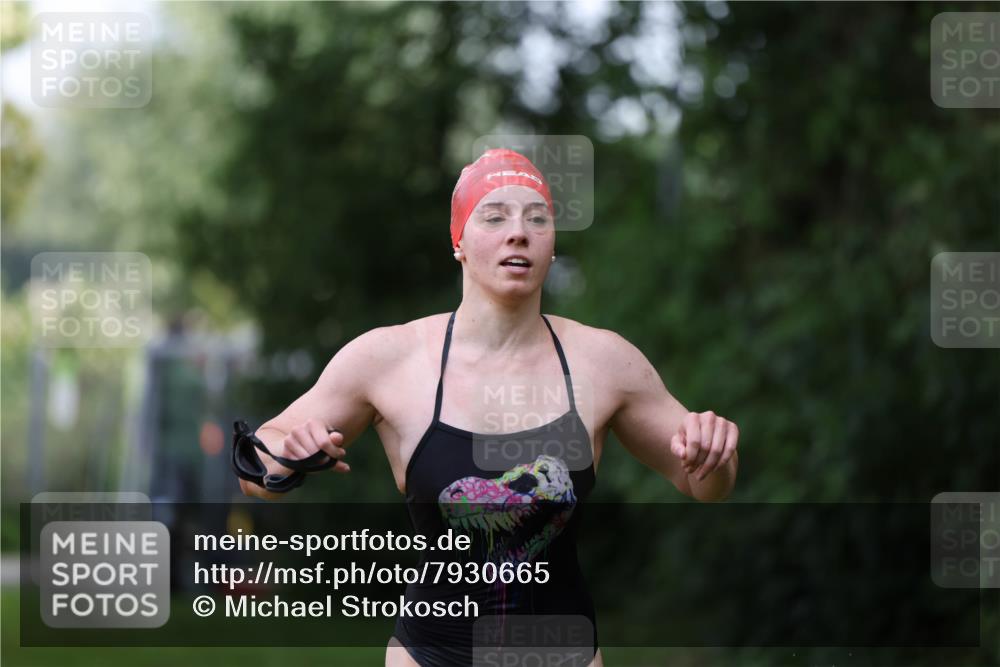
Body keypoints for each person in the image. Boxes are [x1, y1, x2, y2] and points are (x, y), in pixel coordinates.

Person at [240, 148, 740, 667]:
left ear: (551, 245)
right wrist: (286, 457)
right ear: (458, 240)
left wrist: (714, 451)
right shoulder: (390, 358)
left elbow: (705, 485)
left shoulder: (603, 362)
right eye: (495, 216)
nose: (518, 232)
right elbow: (258, 464)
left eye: (537, 219)